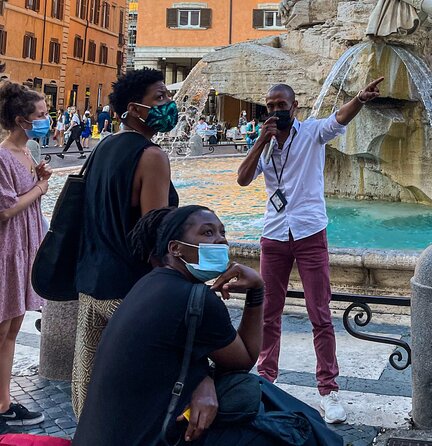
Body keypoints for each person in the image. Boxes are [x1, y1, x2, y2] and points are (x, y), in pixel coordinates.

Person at [73, 206, 343, 446]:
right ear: (175, 248)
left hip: (107, 434)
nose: (221, 239)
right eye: (207, 233)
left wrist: (203, 378)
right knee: (296, 431)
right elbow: (244, 360)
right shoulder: (195, 299)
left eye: (222, 232)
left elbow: (164, 357)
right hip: (156, 436)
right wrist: (257, 290)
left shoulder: (148, 285)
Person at [237, 78, 384, 424]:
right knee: (268, 312)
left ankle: (328, 390)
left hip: (309, 233)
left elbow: (339, 119)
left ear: (294, 107)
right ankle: (266, 381)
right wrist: (261, 139)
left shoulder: (312, 133)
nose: (275, 111)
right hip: (273, 236)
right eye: (270, 106)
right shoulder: (266, 144)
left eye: (281, 106)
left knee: (320, 312)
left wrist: (360, 99)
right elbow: (242, 178)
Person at [71, 68, 181, 418]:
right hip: (130, 291)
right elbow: (155, 234)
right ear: (135, 109)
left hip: (91, 285)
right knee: (143, 390)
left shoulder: (104, 147)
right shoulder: (152, 156)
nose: (169, 104)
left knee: (89, 393)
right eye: (159, 98)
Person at [0, 81, 54, 432]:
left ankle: (3, 402)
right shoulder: (3, 155)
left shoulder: (27, 150)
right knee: (2, 328)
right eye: (41, 115)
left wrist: (38, 176)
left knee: (12, 329)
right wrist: (40, 187)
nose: (47, 119)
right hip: (7, 248)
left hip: (22, 246)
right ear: (22, 120)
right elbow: (5, 210)